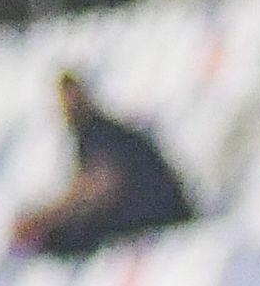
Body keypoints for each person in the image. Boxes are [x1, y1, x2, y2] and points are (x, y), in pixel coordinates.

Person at [13, 73, 194, 260]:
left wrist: (43, 219)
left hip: (159, 213)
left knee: (68, 240)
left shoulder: (101, 134)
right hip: (148, 213)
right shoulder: (87, 137)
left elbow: (98, 188)